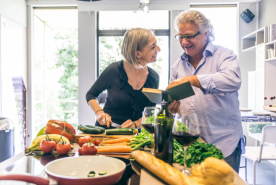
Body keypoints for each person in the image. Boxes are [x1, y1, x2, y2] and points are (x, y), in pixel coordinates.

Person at [168, 10, 243, 173]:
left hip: (224, 143)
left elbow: (232, 80)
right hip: (191, 145)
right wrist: (173, 108)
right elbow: (178, 105)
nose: (184, 42)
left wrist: (193, 80)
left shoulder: (225, 55)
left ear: (206, 33)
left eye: (189, 36)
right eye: (180, 37)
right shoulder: (177, 66)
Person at [86, 28, 160, 129]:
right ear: (138, 54)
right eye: (153, 47)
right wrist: (100, 113)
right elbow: (91, 94)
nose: (158, 49)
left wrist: (135, 124)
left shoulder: (154, 77)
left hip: (134, 136)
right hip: (107, 132)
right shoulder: (114, 70)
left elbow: (150, 113)